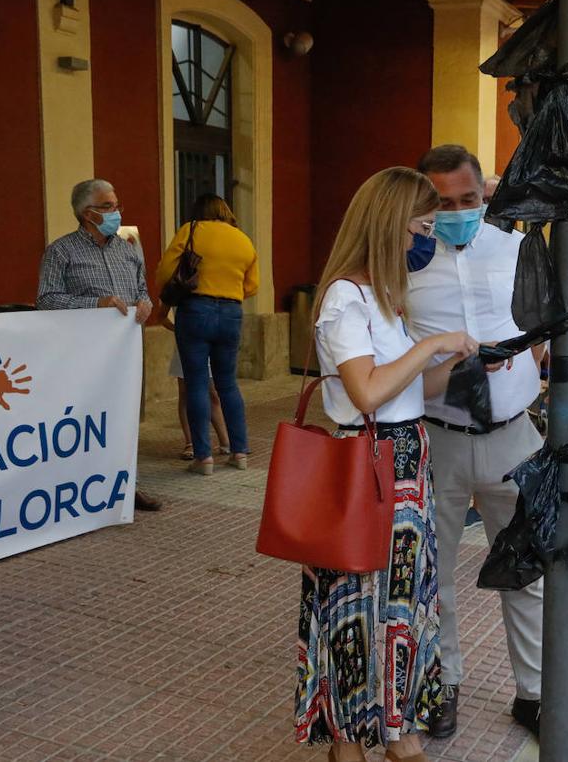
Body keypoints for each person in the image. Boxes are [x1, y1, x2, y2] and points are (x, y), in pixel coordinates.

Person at [297, 166, 478, 762]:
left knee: (398, 607)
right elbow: (367, 394)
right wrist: (431, 344)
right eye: (421, 226)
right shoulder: (346, 297)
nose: (423, 239)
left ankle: (391, 727)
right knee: (359, 608)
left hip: (401, 464)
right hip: (366, 468)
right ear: (388, 224)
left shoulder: (381, 296)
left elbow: (406, 392)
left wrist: (461, 362)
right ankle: (367, 738)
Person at [410, 144, 546, 738]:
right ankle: (443, 684)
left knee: (525, 567)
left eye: (468, 200)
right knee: (431, 573)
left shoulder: (516, 250)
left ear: (483, 195)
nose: (458, 211)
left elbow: (542, 331)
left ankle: (536, 692)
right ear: (424, 203)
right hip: (435, 434)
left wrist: (525, 372)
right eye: (444, 203)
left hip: (512, 435)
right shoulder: (406, 262)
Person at [37, 178, 161, 512]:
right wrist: (96, 304)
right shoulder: (60, 251)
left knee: (124, 418)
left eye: (117, 205)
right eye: (108, 207)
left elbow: (142, 289)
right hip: (80, 357)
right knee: (86, 421)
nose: (116, 212)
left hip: (123, 356)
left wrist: (145, 302)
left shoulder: (127, 247)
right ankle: (80, 487)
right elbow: (46, 300)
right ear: (87, 213)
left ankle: (126, 484)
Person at [155, 194, 257, 475]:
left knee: (197, 384)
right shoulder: (242, 239)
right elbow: (253, 285)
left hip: (195, 310)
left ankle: (204, 458)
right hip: (231, 313)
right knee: (228, 385)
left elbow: (165, 272)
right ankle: (239, 452)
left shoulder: (191, 230)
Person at [158, 301, 231, 461]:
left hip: (209, 343)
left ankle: (225, 441)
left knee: (212, 393)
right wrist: (178, 330)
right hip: (186, 345)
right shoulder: (175, 282)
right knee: (185, 394)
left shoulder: (210, 282)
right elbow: (161, 315)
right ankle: (190, 442)